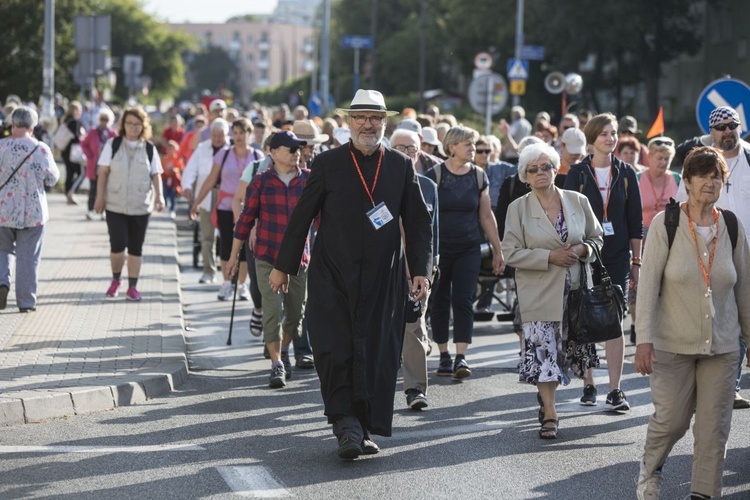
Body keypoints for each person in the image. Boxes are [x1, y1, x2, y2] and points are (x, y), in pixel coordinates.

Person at [269, 89, 433, 459]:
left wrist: (420, 269)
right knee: (334, 350)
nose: (367, 124)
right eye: (360, 117)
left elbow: (420, 223)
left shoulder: (400, 165)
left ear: (384, 123)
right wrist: (283, 267)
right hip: (333, 275)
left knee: (376, 352)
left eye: (375, 118)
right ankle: (345, 424)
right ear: (348, 122)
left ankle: (364, 427)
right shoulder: (328, 164)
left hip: (383, 278)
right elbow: (303, 216)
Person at [634, 146, 750, 500]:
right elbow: (649, 284)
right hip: (673, 345)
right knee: (673, 421)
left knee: (714, 428)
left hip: (724, 344)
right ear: (685, 181)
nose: (710, 182)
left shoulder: (731, 225)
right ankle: (650, 471)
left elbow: (744, 287)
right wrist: (643, 340)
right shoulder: (665, 225)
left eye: (717, 176)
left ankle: (704, 493)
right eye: (702, 175)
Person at [502, 142, 603, 439]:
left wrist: (583, 248)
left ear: (557, 168)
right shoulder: (517, 208)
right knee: (544, 352)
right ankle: (550, 411)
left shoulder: (577, 200)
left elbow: (597, 238)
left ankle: (552, 398)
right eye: (533, 169)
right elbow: (510, 253)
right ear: (525, 176)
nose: (541, 173)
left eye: (546, 166)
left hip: (575, 290)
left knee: (570, 353)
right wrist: (549, 256)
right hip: (538, 291)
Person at [563, 112, 643, 410]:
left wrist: (637, 260)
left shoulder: (626, 173)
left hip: (618, 256)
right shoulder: (578, 173)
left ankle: (615, 389)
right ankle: (588, 384)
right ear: (593, 139)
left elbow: (635, 222)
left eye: (614, 133)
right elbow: (569, 217)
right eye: (605, 134)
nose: (611, 138)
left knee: (614, 319)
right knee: (584, 315)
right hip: (585, 255)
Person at [674, 106, 750, 409]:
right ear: (712, 132)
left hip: (748, 253)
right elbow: (682, 207)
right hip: (710, 251)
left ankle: (729, 385)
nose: (728, 131)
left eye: (733, 125)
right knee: (718, 316)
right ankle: (715, 382)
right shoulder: (698, 162)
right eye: (721, 127)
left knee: (742, 316)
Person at [227, 131, 310, 388]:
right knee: (273, 310)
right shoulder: (260, 182)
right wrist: (233, 257)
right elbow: (245, 221)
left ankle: (284, 349)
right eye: (290, 149)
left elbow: (323, 219)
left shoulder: (309, 180)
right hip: (267, 257)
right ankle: (276, 364)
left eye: (298, 149)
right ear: (273, 153)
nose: (296, 153)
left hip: (299, 260)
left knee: (295, 315)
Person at [425, 125, 505, 379]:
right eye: (468, 144)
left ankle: (461, 356)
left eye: (473, 144)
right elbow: (423, 216)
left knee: (463, 299)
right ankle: (443, 355)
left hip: (469, 247)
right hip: (438, 248)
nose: (473, 149)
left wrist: (498, 249)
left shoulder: (479, 176)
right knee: (439, 300)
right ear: (452, 147)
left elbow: (486, 215)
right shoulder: (434, 174)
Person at [94, 106, 165, 301]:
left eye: (137, 124)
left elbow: (156, 174)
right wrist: (99, 197)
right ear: (123, 125)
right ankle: (116, 280)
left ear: (143, 126)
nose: (133, 127)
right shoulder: (113, 144)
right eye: (129, 123)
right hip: (115, 205)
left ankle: (133, 286)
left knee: (136, 247)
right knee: (117, 245)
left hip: (141, 206)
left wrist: (160, 196)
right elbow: (103, 172)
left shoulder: (150, 149)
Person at [390, 128, 439, 410]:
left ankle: (415, 389)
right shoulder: (379, 183)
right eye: (401, 148)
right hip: (387, 266)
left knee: (415, 326)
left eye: (412, 149)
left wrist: (431, 268)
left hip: (419, 270)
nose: (407, 154)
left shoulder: (428, 186)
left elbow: (432, 231)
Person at [190, 118, 263, 301]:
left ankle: (241, 285)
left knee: (246, 247)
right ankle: (226, 283)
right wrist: (196, 202)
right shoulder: (223, 154)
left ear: (249, 134)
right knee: (226, 245)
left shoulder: (257, 156)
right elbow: (211, 180)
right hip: (225, 206)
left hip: (248, 208)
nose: (238, 137)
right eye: (235, 133)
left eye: (242, 133)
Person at [0, 106, 60, 312]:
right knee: (28, 257)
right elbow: (53, 178)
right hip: (32, 213)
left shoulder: (1, 146)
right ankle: (25, 302)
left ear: (12, 124)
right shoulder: (41, 148)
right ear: (33, 127)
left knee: (2, 250)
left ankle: (1, 283)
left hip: (3, 211)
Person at [182, 119, 230, 284]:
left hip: (227, 197)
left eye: (221, 135)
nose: (217, 138)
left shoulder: (232, 150)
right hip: (206, 196)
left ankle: (230, 276)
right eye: (214, 134)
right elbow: (190, 170)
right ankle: (209, 271)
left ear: (226, 134)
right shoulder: (202, 149)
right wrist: (187, 186)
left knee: (229, 237)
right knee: (207, 235)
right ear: (210, 134)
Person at [80, 108, 117, 220]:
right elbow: (84, 144)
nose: (104, 121)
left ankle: (103, 211)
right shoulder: (93, 131)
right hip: (95, 165)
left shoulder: (112, 133)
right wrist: (90, 155)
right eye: (102, 119)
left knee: (106, 190)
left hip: (108, 166)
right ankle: (90, 210)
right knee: (93, 189)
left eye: (106, 119)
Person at [60, 101, 86, 205]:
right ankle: (71, 192)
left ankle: (68, 195)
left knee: (69, 173)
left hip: (65, 151)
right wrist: (83, 137)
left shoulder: (65, 120)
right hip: (73, 151)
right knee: (81, 173)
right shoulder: (74, 122)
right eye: (79, 110)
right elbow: (76, 137)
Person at [161, 140, 184, 219]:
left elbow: (181, 169)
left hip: (174, 180)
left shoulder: (178, 159)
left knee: (173, 195)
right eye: (169, 148)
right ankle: (166, 205)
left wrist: (175, 170)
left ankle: (172, 209)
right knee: (165, 193)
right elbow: (161, 169)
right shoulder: (164, 159)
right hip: (166, 179)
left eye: (172, 148)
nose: (170, 150)